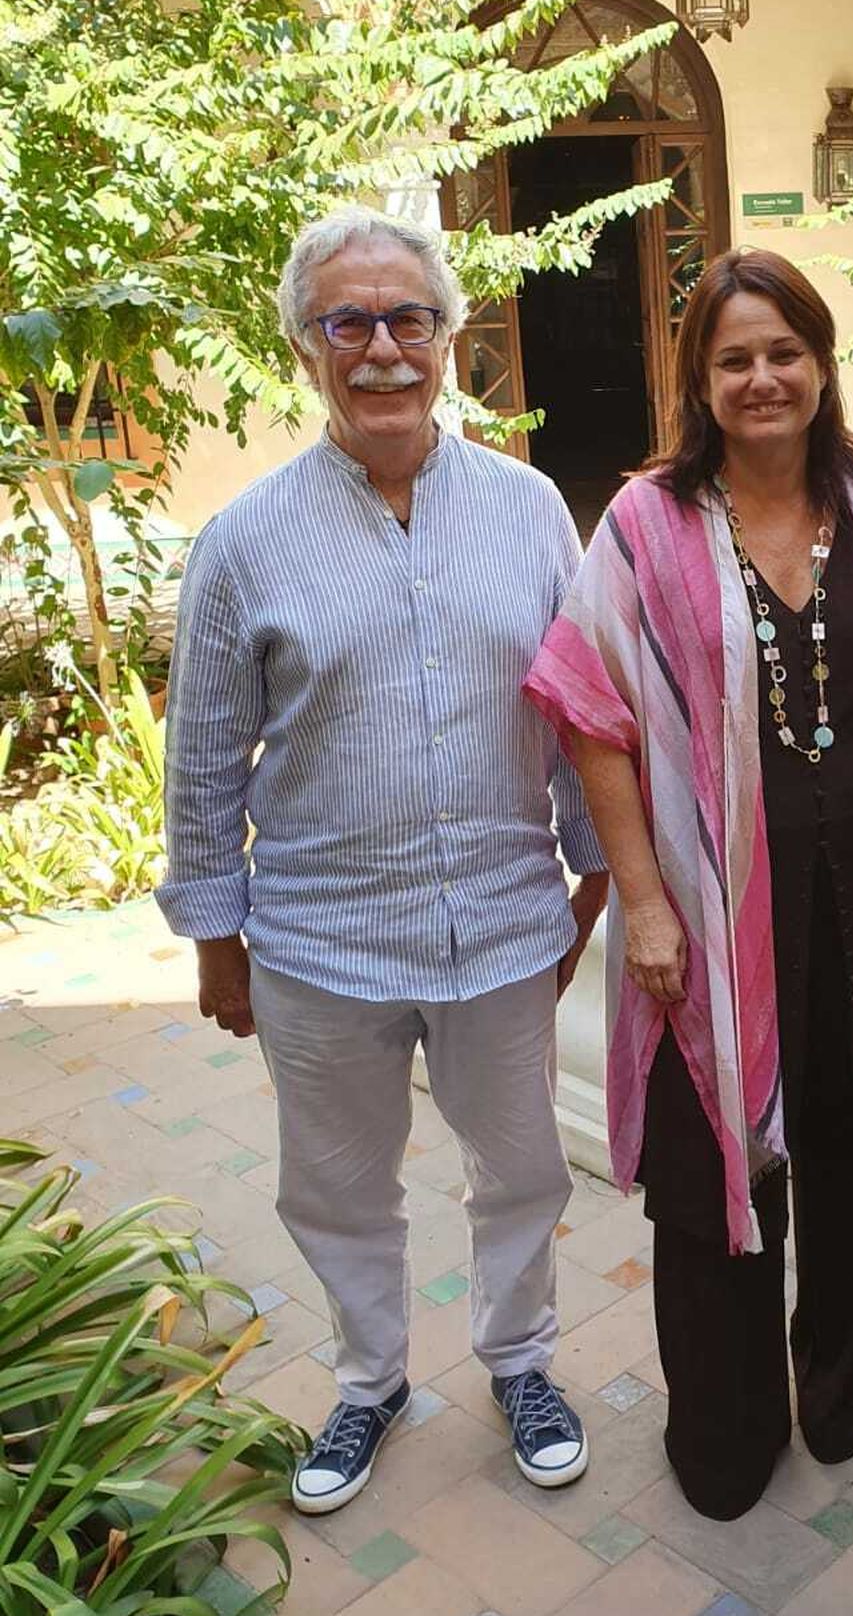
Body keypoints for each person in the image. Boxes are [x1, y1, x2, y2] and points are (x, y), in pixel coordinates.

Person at [157, 209, 608, 1514]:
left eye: (409, 319)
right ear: (304, 346)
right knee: (339, 1184)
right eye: (347, 322)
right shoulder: (245, 541)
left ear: (449, 337)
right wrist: (216, 937)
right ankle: (369, 1380)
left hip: (504, 932)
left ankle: (519, 1360)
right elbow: (204, 755)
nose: (383, 350)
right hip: (319, 943)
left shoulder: (528, 513)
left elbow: (577, 714)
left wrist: (591, 873)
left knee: (521, 1165)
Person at [525, 247, 853, 1521]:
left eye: (784, 351)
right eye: (734, 359)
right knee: (710, 1168)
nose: (762, 377)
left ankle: (844, 1395)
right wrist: (645, 899)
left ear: (822, 363)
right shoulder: (648, 521)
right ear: (699, 383)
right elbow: (591, 712)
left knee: (849, 1156)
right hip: (707, 925)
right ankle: (723, 1434)